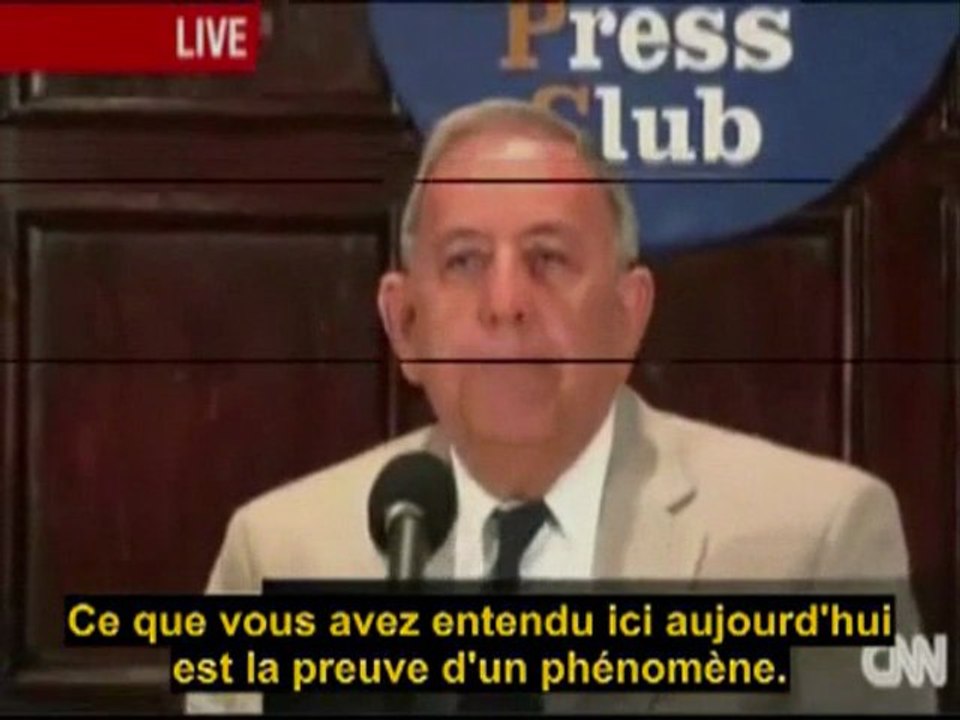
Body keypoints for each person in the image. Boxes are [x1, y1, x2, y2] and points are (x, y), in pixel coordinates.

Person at [185, 99, 936, 714]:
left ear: (628, 314)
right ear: (405, 324)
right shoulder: (280, 550)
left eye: (548, 258)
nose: (506, 303)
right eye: (464, 261)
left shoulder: (817, 540)